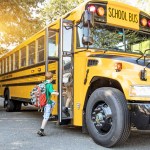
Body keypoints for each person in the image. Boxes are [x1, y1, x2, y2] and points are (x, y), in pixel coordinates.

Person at [37, 72, 59, 136]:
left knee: (53, 102)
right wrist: (57, 93)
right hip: (47, 102)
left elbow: (48, 90)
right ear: (51, 78)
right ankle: (41, 130)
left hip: (44, 101)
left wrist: (53, 90)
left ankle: (50, 114)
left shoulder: (44, 83)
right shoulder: (50, 84)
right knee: (46, 117)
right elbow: (51, 92)